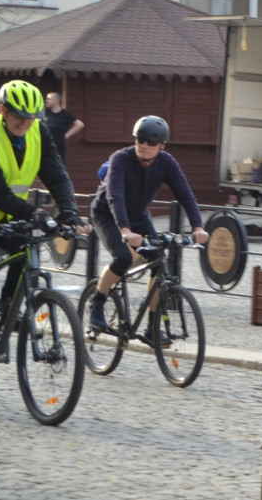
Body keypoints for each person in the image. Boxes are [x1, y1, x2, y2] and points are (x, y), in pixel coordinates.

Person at [0, 80, 88, 392]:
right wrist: (36, 214)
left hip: (8, 214)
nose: (25, 122)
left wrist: (69, 211)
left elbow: (56, 174)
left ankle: (6, 309)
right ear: (3, 110)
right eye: (19, 116)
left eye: (31, 117)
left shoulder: (39, 133)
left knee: (28, 250)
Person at [87, 116, 208, 344]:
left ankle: (153, 327)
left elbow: (185, 195)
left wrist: (198, 226)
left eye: (151, 143)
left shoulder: (167, 163)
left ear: (161, 146)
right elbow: (115, 197)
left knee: (158, 261)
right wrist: (125, 230)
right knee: (122, 257)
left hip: (138, 215)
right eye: (140, 140)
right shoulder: (120, 159)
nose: (144, 146)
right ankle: (97, 302)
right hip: (107, 214)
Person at [42, 92, 84, 162]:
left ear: (56, 100)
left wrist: (67, 135)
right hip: (44, 146)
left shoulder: (65, 114)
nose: (46, 100)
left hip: (58, 148)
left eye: (49, 99)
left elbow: (80, 124)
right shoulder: (45, 112)